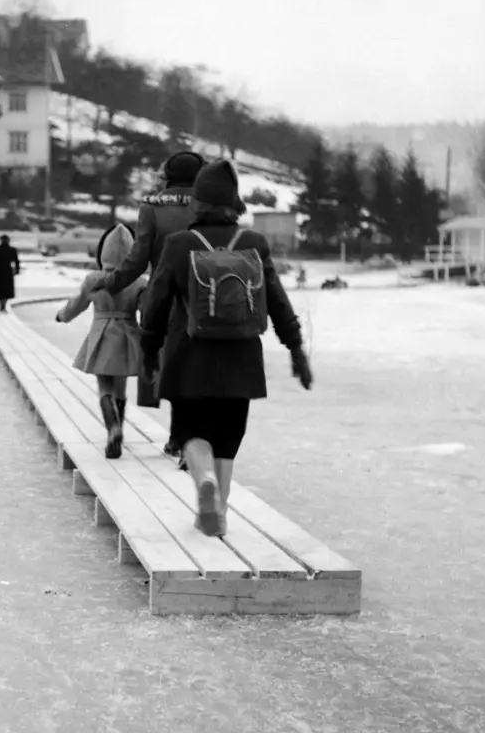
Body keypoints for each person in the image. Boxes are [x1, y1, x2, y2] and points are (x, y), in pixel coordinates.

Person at [140, 159, 313, 537]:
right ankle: (219, 508)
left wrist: (150, 350)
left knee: (192, 432)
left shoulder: (180, 244)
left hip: (190, 356)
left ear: (197, 203)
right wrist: (295, 347)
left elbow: (155, 305)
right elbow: (277, 301)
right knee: (228, 438)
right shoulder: (253, 243)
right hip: (242, 359)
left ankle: (204, 483)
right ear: (234, 202)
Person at [91, 150, 207, 463]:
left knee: (170, 366)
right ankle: (185, 440)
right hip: (207, 297)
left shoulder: (153, 208)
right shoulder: (211, 204)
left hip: (165, 298)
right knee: (198, 369)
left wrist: (112, 282)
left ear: (167, 174)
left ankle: (177, 437)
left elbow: (138, 257)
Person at [54, 223, 145, 459]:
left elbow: (78, 304)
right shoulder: (139, 282)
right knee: (121, 390)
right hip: (127, 333)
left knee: (104, 388)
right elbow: (147, 309)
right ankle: (120, 429)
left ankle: (112, 429)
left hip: (101, 333)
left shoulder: (93, 279)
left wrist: (62, 316)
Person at [0, 234, 21, 313]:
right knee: (2, 290)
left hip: (4, 271)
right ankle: (2, 306)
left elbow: (16, 261)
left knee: (5, 291)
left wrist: (16, 270)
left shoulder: (11, 250)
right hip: (1, 271)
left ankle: (3, 306)